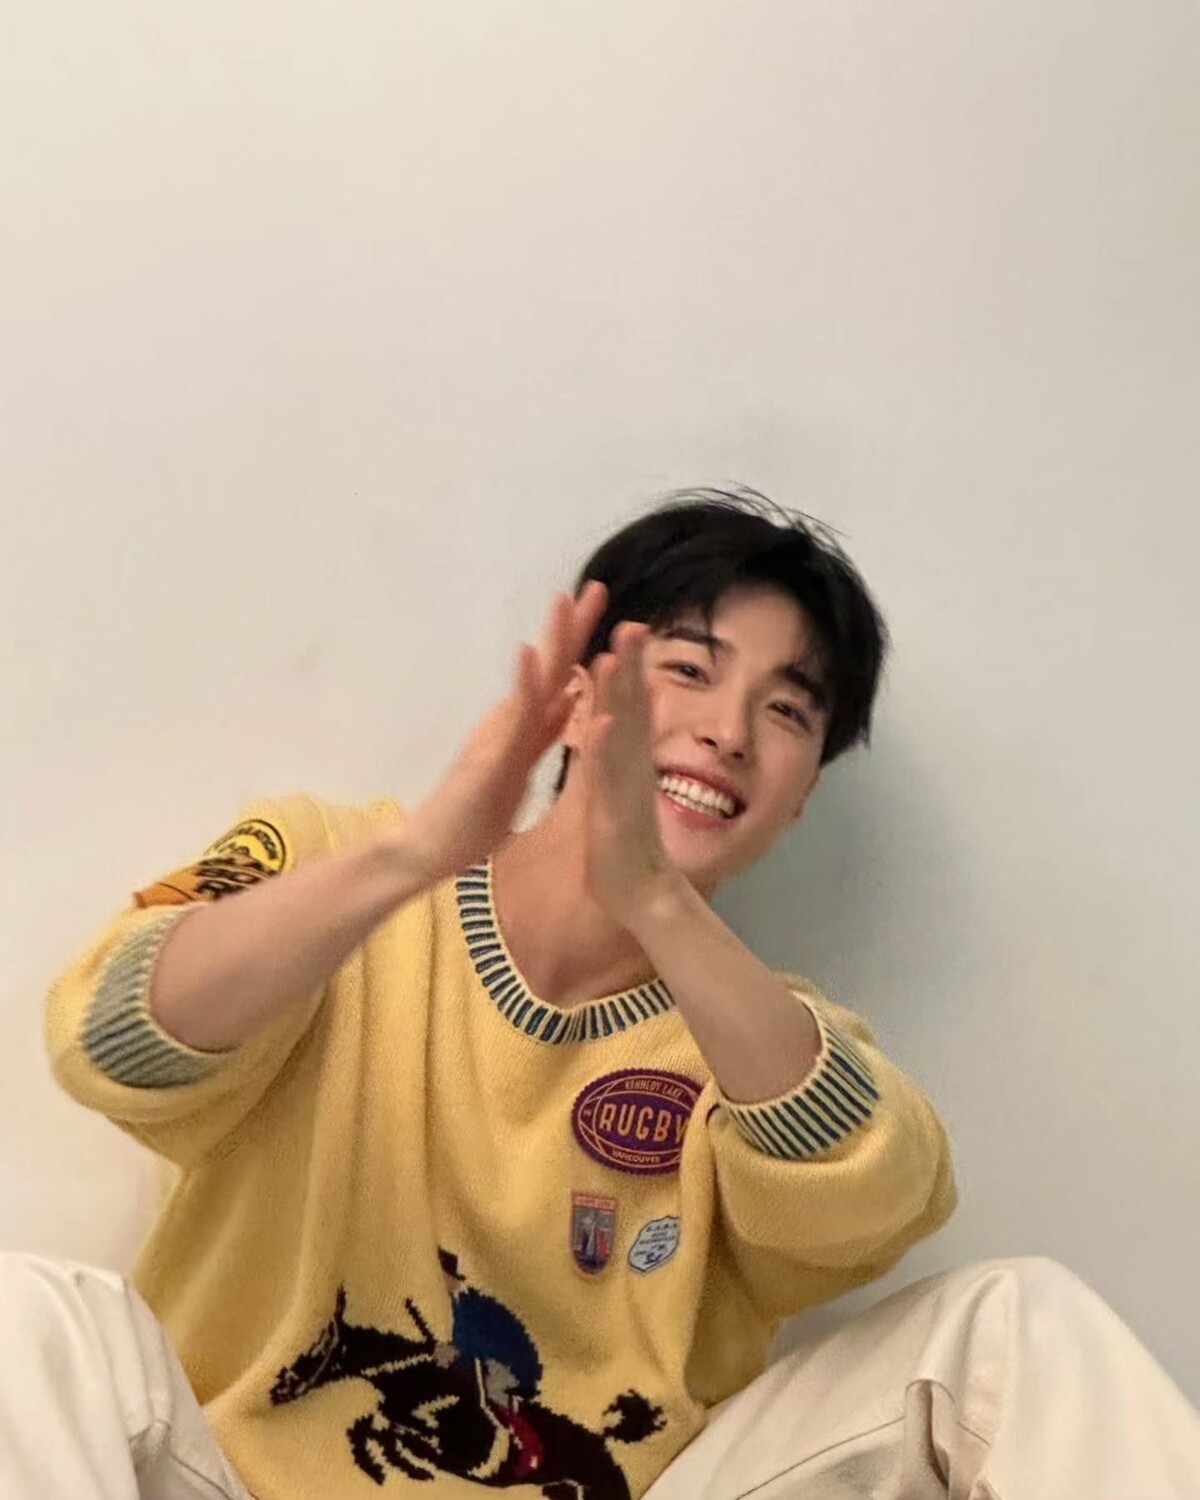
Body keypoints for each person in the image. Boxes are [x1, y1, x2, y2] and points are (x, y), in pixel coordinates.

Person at [13, 489, 1199, 1499]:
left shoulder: (764, 1043)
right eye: (689, 668)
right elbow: (111, 1037)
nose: (728, 731)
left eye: (788, 710)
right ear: (581, 695)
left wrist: (659, 904)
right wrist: (409, 861)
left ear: (800, 795)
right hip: (235, 1483)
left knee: (1021, 1325)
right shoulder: (330, 864)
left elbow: (877, 1206)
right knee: (29, 1314)